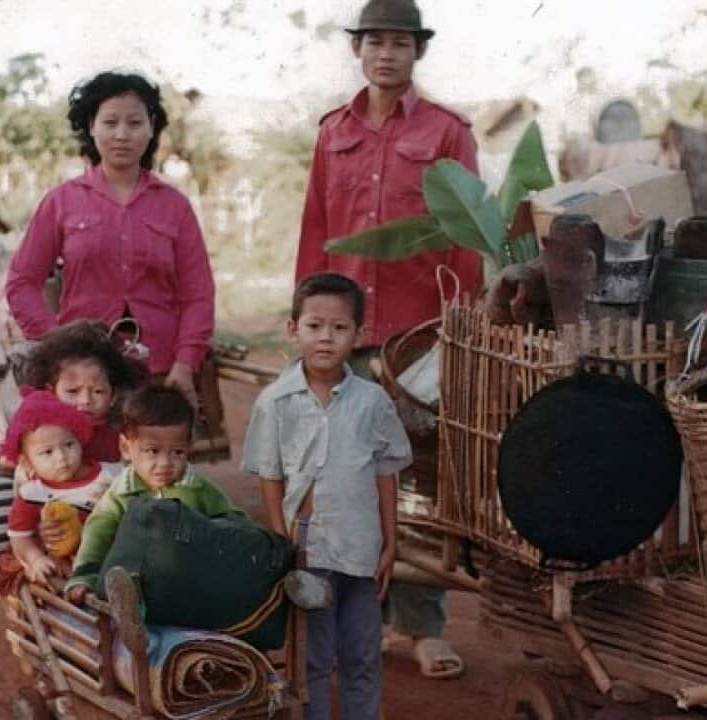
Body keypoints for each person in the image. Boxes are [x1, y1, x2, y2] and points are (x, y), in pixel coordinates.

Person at [292, 0, 479, 680]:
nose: (387, 55)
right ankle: (350, 625)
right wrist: (308, 324)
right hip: (343, 337)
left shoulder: (448, 132)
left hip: (417, 340)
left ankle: (421, 625)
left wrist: (461, 331)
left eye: (400, 43)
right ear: (358, 50)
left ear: (417, 53)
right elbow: (317, 226)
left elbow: (466, 238)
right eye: (375, 42)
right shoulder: (331, 132)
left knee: (416, 483)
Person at [241, 272, 413, 720]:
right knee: (313, 658)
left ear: (358, 335)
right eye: (315, 326)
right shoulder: (275, 402)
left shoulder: (373, 401)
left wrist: (389, 541)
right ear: (293, 329)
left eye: (339, 328)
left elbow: (385, 473)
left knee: (361, 653)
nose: (326, 338)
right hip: (306, 547)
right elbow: (270, 476)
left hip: (360, 543)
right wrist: (282, 539)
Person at [5, 72, 215, 408]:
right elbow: (21, 282)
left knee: (152, 460)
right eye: (110, 122)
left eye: (134, 122)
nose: (122, 134)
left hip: (158, 374)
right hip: (82, 380)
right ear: (91, 125)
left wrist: (185, 363)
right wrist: (57, 343)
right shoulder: (61, 201)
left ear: (151, 128)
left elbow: (198, 296)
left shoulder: (174, 206)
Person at [63, 385, 245, 602]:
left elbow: (234, 521)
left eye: (178, 452)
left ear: (189, 446)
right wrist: (84, 577)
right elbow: (97, 535)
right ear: (125, 448)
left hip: (191, 583)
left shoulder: (198, 488)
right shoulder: (120, 493)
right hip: (135, 581)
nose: (165, 463)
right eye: (152, 451)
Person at [0, 319, 147, 472]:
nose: (85, 401)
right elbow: (8, 463)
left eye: (98, 391)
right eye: (72, 392)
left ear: (113, 396)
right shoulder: (36, 430)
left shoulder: (119, 435)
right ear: (51, 391)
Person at [0, 389, 118, 587]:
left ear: (80, 440)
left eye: (68, 445)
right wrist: (36, 559)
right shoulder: (33, 494)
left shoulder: (109, 476)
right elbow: (20, 537)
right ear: (27, 463)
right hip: (65, 563)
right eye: (47, 452)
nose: (61, 457)